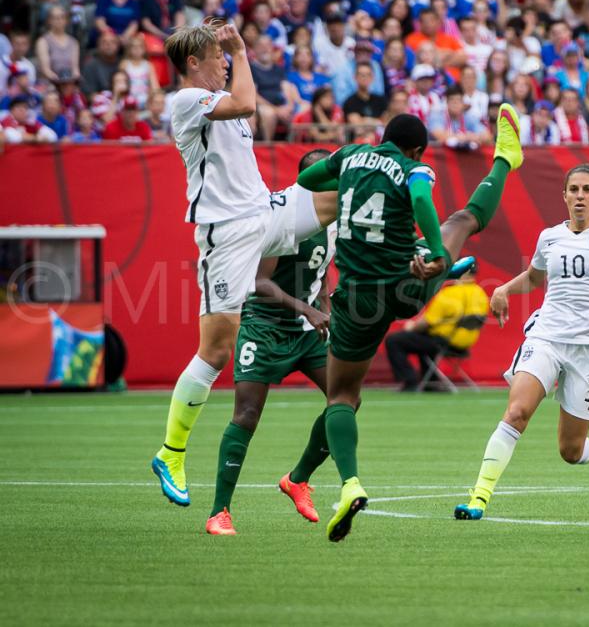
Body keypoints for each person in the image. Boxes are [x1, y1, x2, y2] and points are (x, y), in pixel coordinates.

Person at [292, 106, 525, 542]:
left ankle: (350, 483)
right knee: (462, 221)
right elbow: (420, 199)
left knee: (342, 396)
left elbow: (306, 179)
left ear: (382, 137)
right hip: (405, 285)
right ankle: (504, 162)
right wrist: (436, 251)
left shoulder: (348, 156)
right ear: (417, 149)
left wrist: (346, 187)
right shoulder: (415, 168)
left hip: (356, 299)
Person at [453, 163, 589, 521]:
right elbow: (534, 278)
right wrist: (504, 289)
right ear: (564, 196)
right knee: (517, 412)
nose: (580, 196)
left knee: (570, 450)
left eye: (587, 190)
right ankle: (479, 498)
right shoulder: (549, 237)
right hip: (546, 337)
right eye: (573, 190)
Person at [151, 22, 272, 508]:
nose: (225, 62)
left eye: (226, 55)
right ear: (193, 63)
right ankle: (171, 452)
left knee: (326, 202)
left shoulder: (222, 100)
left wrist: (237, 57)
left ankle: (418, 257)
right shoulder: (186, 100)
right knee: (217, 350)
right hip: (228, 233)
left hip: (263, 213)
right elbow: (246, 104)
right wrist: (241, 50)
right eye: (217, 56)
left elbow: (245, 109)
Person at [205, 149, 339, 536]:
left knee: (346, 399)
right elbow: (260, 283)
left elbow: (320, 274)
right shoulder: (283, 216)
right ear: (311, 182)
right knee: (247, 415)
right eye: (330, 176)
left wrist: (325, 310)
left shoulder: (332, 219)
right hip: (264, 325)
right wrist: (308, 310)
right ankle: (219, 512)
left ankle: (298, 479)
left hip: (306, 331)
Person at [385, 258, 489, 392]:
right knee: (424, 339)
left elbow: (426, 322)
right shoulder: (481, 295)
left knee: (394, 340)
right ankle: (431, 381)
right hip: (464, 345)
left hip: (443, 342)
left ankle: (410, 381)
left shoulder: (450, 293)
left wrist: (412, 327)